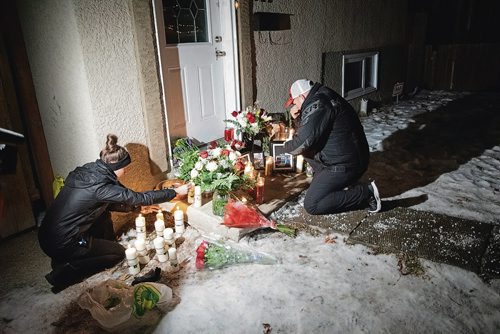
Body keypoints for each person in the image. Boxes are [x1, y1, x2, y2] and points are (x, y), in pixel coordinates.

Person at [38, 134, 189, 292]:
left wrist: (136, 209)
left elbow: (109, 202)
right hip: (64, 242)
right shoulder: (101, 187)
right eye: (125, 167)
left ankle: (82, 252)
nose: (126, 170)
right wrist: (174, 191)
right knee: (117, 254)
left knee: (102, 213)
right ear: (117, 167)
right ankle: (63, 271)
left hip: (48, 234)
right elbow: (138, 197)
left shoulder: (91, 171)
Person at [283, 79, 381, 215]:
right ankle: (331, 183)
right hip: (348, 157)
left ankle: (366, 193)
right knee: (307, 152)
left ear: (302, 97)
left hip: (347, 164)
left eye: (294, 102)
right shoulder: (323, 95)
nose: (295, 105)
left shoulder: (319, 104)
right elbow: (311, 132)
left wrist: (281, 149)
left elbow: (301, 143)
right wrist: (298, 119)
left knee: (312, 205)